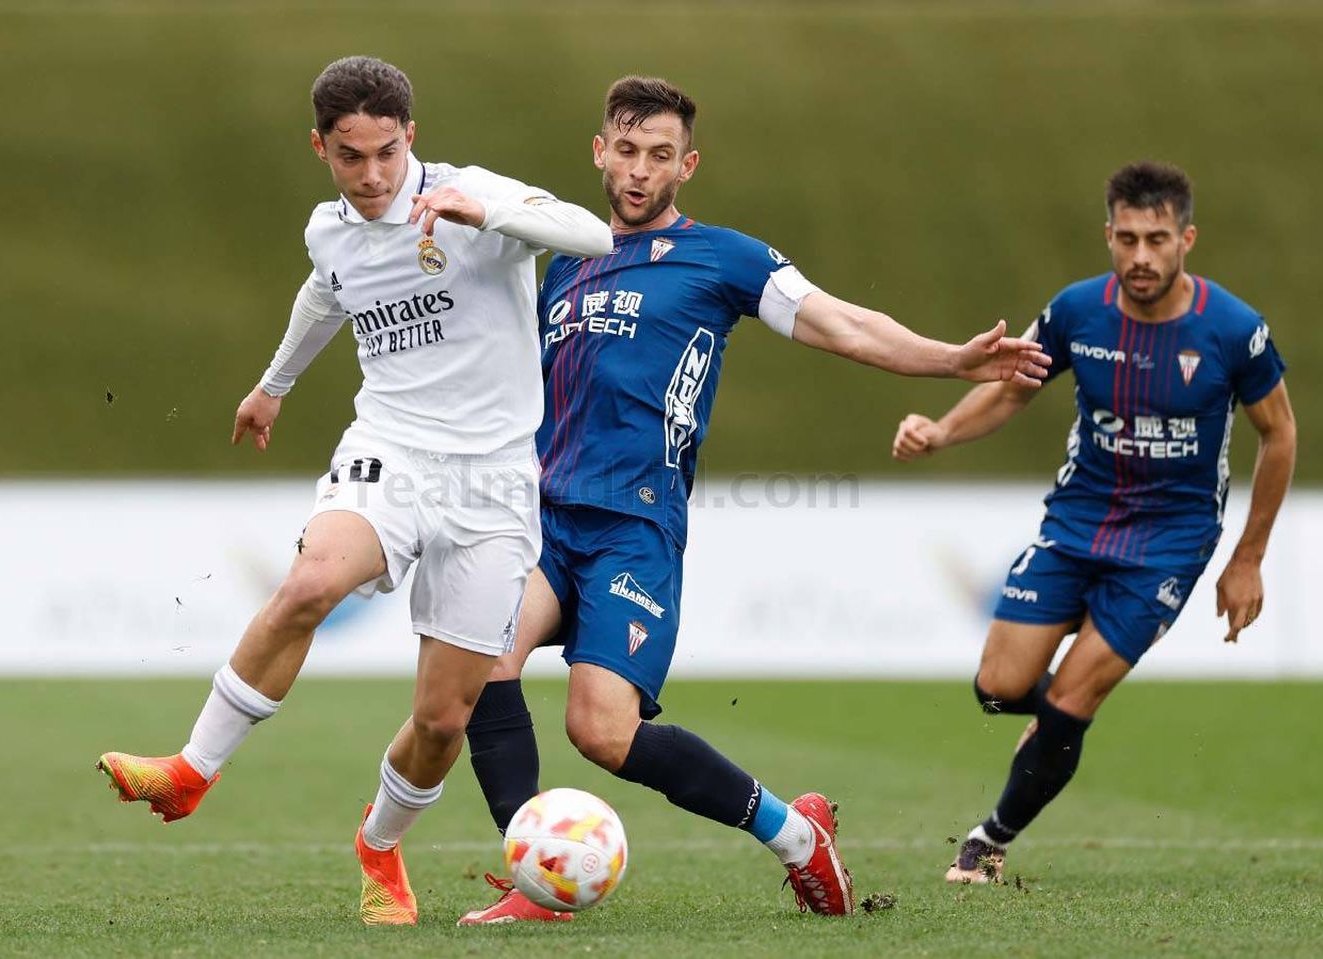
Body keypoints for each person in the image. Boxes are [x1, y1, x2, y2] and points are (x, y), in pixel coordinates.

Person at [456, 76, 1052, 924]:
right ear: (599, 151)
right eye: (625, 150)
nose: (638, 170)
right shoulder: (566, 263)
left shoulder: (725, 258)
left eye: (659, 156)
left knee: (602, 731)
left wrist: (951, 360)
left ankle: (796, 836)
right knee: (482, 663)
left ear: (686, 165)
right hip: (545, 520)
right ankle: (537, 882)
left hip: (634, 528)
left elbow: (840, 322)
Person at [94, 55, 613, 926]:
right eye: (349, 156)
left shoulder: (470, 194)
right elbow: (326, 293)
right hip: (392, 449)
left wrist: (481, 209)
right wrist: (274, 385)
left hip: (493, 482)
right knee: (309, 583)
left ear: (411, 136)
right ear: (320, 148)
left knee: (444, 718)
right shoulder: (328, 230)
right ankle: (190, 770)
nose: (371, 176)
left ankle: (378, 843)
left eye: (385, 152)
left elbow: (592, 236)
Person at [890, 161, 1296, 883]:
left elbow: (1280, 434)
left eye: (1158, 239)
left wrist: (1247, 558)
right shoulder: (1079, 312)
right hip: (1076, 522)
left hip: (1169, 543)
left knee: (1073, 698)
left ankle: (988, 840)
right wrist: (942, 431)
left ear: (1186, 240)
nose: (1142, 256)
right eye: (1128, 238)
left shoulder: (1234, 330)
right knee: (996, 684)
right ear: (1108, 235)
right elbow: (1014, 391)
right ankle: (1053, 728)